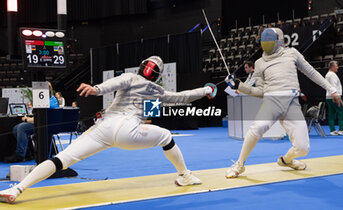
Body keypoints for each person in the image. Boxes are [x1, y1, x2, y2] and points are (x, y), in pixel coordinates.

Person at [0, 56, 215, 204]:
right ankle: (185, 175)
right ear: (156, 75)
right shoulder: (156, 89)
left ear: (141, 67)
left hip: (103, 128)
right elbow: (182, 96)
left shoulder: (130, 77)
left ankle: (16, 189)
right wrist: (207, 89)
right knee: (166, 136)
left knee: (61, 159)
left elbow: (115, 82)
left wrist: (96, 89)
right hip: (129, 132)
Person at [225, 28, 343, 178]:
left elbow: (311, 72)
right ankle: (239, 165)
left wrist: (331, 89)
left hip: (292, 103)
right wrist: (240, 86)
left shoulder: (292, 53)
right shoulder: (259, 63)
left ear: (279, 41)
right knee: (256, 128)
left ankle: (286, 160)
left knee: (303, 148)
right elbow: (260, 91)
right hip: (271, 102)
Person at [3, 82, 59, 163]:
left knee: (21, 128)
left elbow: (40, 119)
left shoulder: (47, 102)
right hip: (47, 123)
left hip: (46, 125)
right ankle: (28, 153)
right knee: (16, 128)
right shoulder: (52, 99)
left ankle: (20, 155)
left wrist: (27, 119)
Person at [325, 61, 343, 135]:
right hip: (335, 96)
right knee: (342, 111)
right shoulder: (332, 75)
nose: (337, 67)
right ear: (332, 67)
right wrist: (335, 96)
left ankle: (332, 130)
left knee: (332, 113)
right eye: (336, 66)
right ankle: (341, 130)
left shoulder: (328, 74)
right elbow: (333, 86)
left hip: (329, 96)